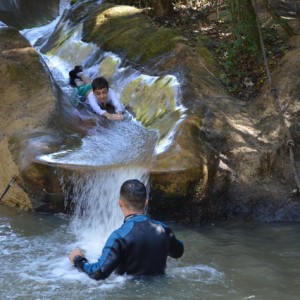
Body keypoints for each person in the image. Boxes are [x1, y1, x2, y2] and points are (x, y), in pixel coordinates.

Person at [69, 179, 184, 280]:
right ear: (146, 203)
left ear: (120, 203)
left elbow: (98, 273)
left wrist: (78, 259)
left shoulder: (119, 236)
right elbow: (178, 252)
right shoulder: (163, 230)